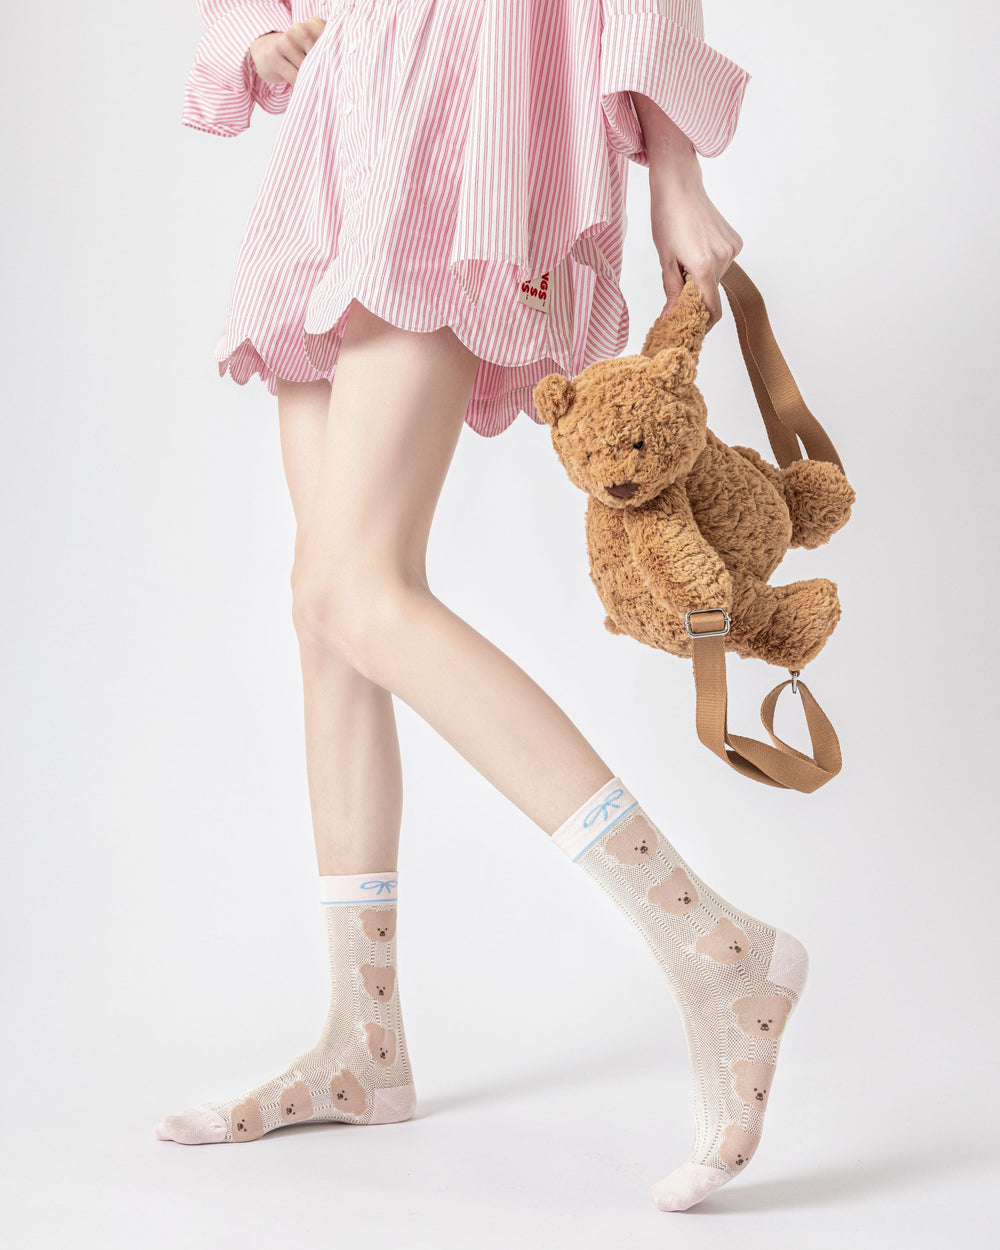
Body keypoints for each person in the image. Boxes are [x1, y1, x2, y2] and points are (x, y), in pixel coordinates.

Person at [156, 1, 807, 1215]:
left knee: (358, 588)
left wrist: (675, 170)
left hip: (467, 105)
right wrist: (258, 36)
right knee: (325, 609)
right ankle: (364, 1042)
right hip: (350, 107)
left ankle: (711, 943)